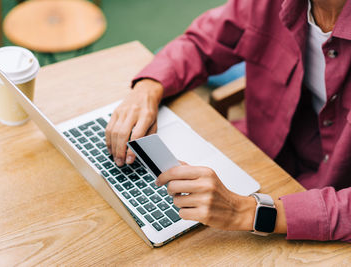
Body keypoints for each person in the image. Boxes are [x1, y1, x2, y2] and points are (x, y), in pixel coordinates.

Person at [105, 0, 351, 242]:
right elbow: (200, 43)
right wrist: (146, 90)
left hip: (329, 208)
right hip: (257, 155)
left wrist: (248, 211)